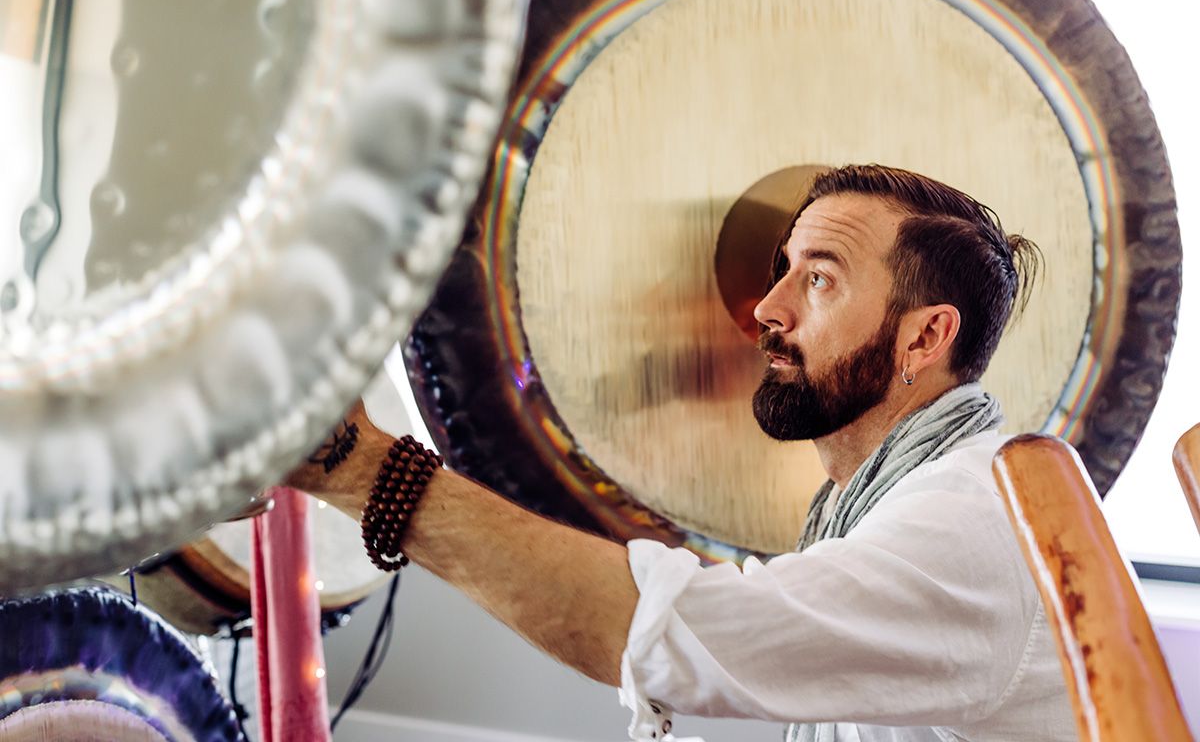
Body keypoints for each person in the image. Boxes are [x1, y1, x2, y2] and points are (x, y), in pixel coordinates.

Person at [286, 164, 1075, 741]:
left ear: (927, 336)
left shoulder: (970, 523)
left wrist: (363, 469)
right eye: (784, 271)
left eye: (821, 281)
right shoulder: (870, 503)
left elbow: (672, 630)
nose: (767, 308)